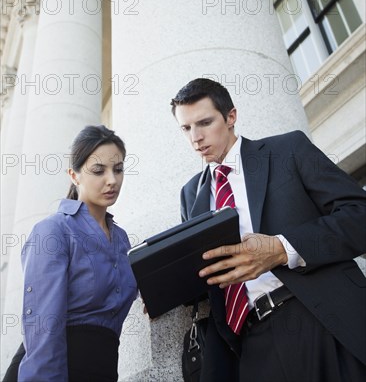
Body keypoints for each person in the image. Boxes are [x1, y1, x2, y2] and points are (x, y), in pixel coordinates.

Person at [171, 78, 366, 382]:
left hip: (320, 319)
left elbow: (359, 215)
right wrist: (163, 285)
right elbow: (208, 275)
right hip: (252, 345)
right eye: (186, 128)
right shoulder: (190, 195)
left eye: (205, 122)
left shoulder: (287, 149)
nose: (195, 137)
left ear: (231, 116)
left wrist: (281, 248)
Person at [3, 125, 138, 382]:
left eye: (118, 169)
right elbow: (44, 325)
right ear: (74, 176)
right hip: (55, 368)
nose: (112, 180)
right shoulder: (53, 230)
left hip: (104, 369)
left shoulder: (122, 241)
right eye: (98, 170)